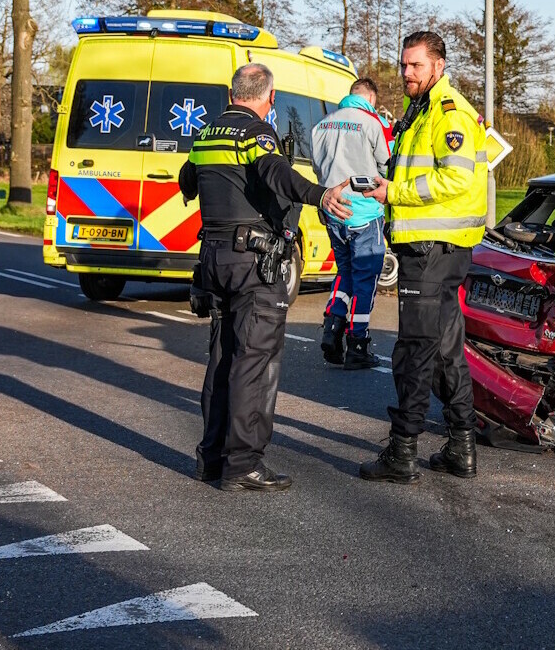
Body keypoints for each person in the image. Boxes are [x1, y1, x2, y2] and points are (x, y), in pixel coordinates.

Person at [179, 62, 353, 492]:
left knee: (222, 359)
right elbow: (276, 173)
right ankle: (242, 465)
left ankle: (212, 459)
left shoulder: (206, 134)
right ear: (270, 97)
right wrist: (320, 195)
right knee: (255, 362)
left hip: (214, 259)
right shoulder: (257, 133)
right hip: (253, 264)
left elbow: (187, 182)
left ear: (231, 92)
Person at [356, 30, 487, 484]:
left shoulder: (447, 112)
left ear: (438, 66)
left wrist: (395, 192)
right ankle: (461, 447)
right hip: (439, 250)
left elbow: (456, 179)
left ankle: (403, 452)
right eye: (404, 64)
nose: (406, 72)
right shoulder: (425, 110)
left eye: (415, 65)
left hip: (431, 250)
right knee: (446, 351)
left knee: (414, 351)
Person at [312, 77, 392, 370]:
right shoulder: (372, 123)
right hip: (365, 213)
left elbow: (317, 167)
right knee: (365, 279)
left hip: (334, 212)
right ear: (371, 98)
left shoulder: (322, 124)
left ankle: (332, 326)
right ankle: (358, 343)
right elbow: (386, 166)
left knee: (344, 271)